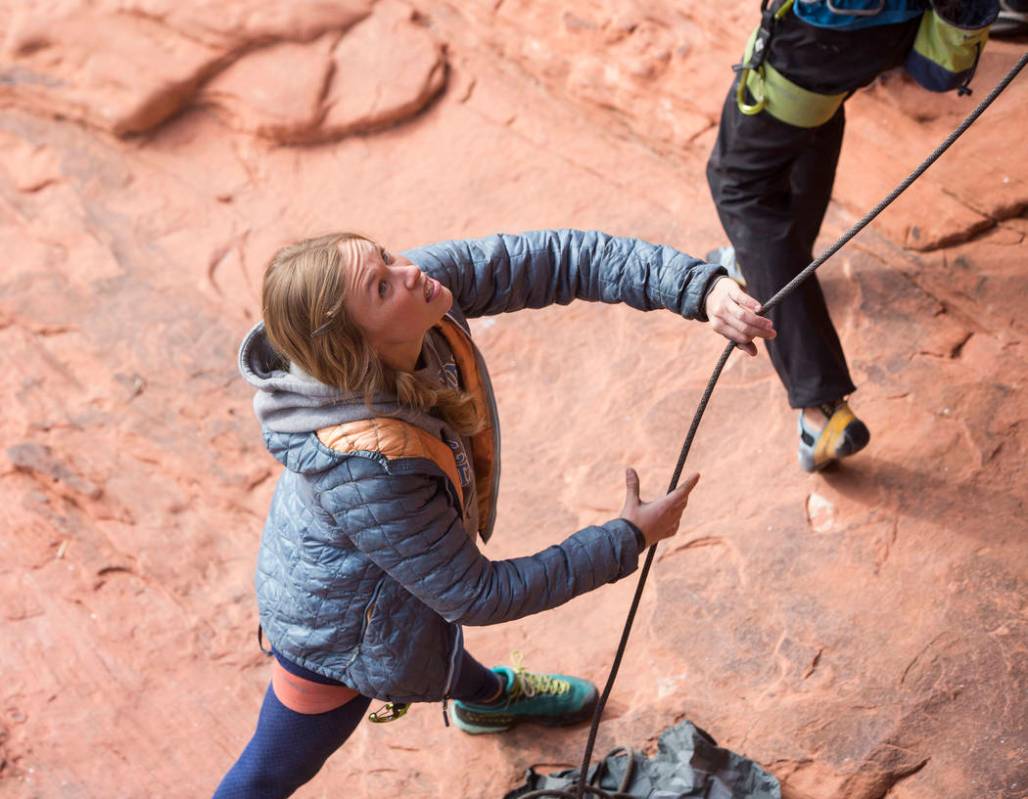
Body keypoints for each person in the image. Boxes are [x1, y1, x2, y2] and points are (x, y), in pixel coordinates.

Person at [212, 229, 776, 798]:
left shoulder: (417, 293)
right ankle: (483, 696)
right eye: (381, 285)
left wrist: (698, 289)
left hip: (393, 586)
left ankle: (486, 700)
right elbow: (476, 595)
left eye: (384, 254)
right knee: (269, 774)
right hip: (335, 630)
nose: (405, 269)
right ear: (355, 348)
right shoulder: (366, 469)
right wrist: (625, 538)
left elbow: (560, 260)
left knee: (421, 638)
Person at [705, 0, 998, 472]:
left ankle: (821, 411)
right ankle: (768, 261)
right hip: (896, 30)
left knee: (740, 185)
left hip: (827, 27)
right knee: (813, 103)